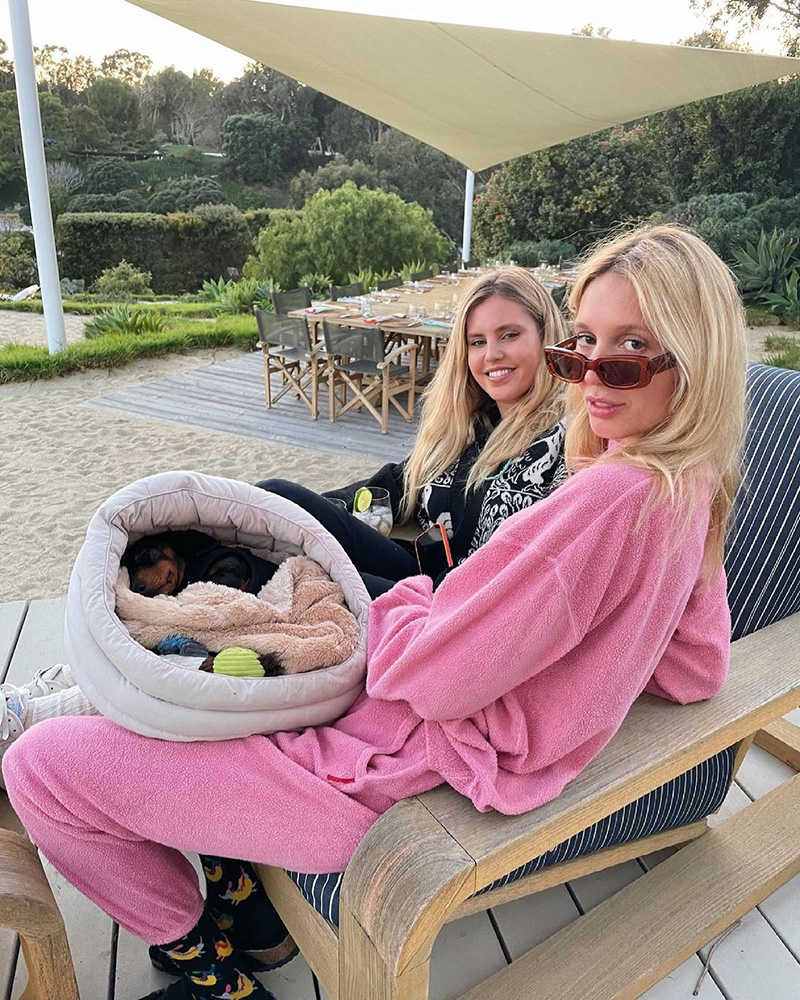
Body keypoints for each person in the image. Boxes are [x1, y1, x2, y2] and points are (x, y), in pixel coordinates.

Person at [2, 225, 746, 1000]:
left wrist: (409, 604)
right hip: (405, 747)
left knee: (39, 771)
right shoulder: (689, 485)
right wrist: (589, 671)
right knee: (193, 673)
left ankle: (209, 972)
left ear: (697, 360)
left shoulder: (603, 502)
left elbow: (432, 680)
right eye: (582, 344)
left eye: (630, 350)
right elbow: (698, 668)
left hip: (372, 775)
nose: (591, 375)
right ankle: (250, 916)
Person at [255, 266, 568, 596]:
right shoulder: (472, 426)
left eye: (510, 335)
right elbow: (400, 483)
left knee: (292, 575)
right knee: (276, 496)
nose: (492, 354)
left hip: (460, 606)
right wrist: (327, 509)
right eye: (477, 342)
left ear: (545, 336)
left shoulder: (564, 441)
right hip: (419, 574)